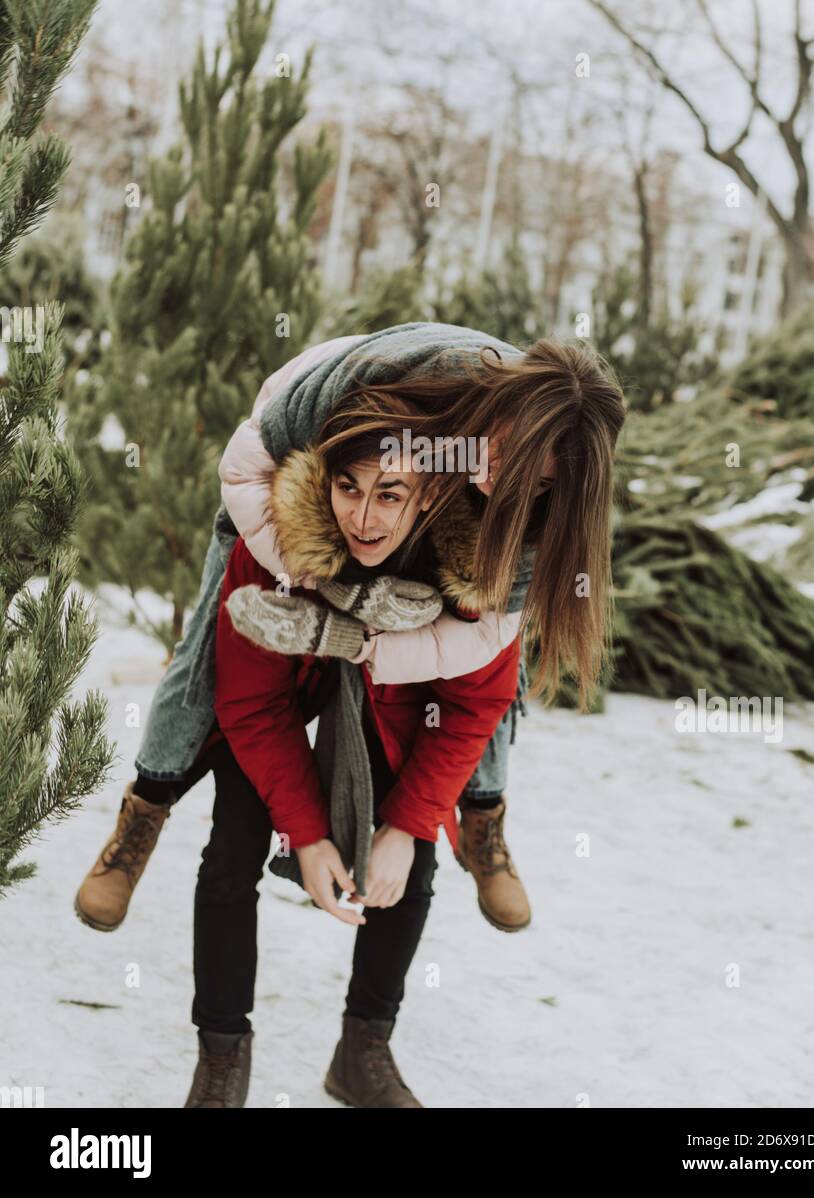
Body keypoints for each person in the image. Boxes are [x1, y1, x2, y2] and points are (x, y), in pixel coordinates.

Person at [74, 323, 626, 934]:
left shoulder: (528, 499)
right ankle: (144, 812)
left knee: (493, 670)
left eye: (539, 483)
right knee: (209, 644)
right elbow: (246, 468)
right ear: (499, 411)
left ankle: (483, 819)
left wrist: (370, 644)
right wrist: (314, 576)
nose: (508, 484)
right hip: (296, 474)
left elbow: (487, 637)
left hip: (421, 499)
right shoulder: (387, 380)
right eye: (506, 458)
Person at [186, 427, 521, 1106]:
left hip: (399, 698)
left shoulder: (467, 563)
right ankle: (221, 1057)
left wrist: (406, 824)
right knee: (232, 848)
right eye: (348, 488)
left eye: (388, 493)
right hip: (284, 691)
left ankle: (362, 1048)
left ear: (427, 492)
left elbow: (473, 703)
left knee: (412, 863)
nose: (363, 518)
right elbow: (250, 702)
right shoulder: (278, 542)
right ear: (324, 481)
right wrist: (305, 835)